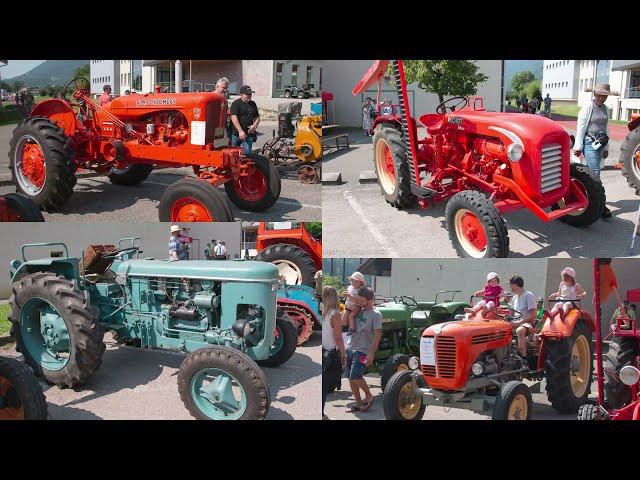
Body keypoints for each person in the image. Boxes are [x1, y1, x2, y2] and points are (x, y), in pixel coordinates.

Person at [574, 83, 618, 218]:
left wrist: (606, 147)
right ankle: (600, 204)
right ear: (594, 95)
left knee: (588, 174)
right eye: (599, 95)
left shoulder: (606, 108)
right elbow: (581, 127)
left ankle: (581, 196)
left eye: (604, 96)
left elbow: (606, 129)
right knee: (595, 173)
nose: (601, 98)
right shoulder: (588, 107)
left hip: (600, 144)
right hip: (589, 143)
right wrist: (578, 146)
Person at [344, 286, 382, 414]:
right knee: (350, 377)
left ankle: (369, 396)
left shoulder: (376, 315)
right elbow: (346, 322)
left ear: (370, 300)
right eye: (358, 299)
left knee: (355, 375)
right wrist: (351, 305)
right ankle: (358, 403)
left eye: (361, 300)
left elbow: (377, 336)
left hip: (363, 350)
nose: (359, 302)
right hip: (350, 347)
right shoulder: (358, 310)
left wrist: (371, 354)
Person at [321, 286, 347, 420]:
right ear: (335, 297)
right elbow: (338, 337)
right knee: (324, 385)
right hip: (328, 354)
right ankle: (321, 413)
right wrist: (343, 354)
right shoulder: (335, 314)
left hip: (320, 351)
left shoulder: (321, 310)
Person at [508, 275, 538, 361]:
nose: (510, 287)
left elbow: (533, 314)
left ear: (515, 285)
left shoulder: (528, 295)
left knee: (519, 330)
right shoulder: (514, 298)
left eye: (510, 285)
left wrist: (519, 323)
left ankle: (524, 358)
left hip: (526, 323)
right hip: (515, 322)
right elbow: (511, 314)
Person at [230, 85, 260, 154]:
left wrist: (254, 125)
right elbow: (234, 117)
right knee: (233, 155)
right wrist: (240, 131)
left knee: (248, 154)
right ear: (241, 94)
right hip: (236, 134)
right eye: (247, 94)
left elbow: (257, 117)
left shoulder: (253, 104)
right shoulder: (236, 104)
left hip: (248, 134)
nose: (250, 95)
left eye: (250, 94)